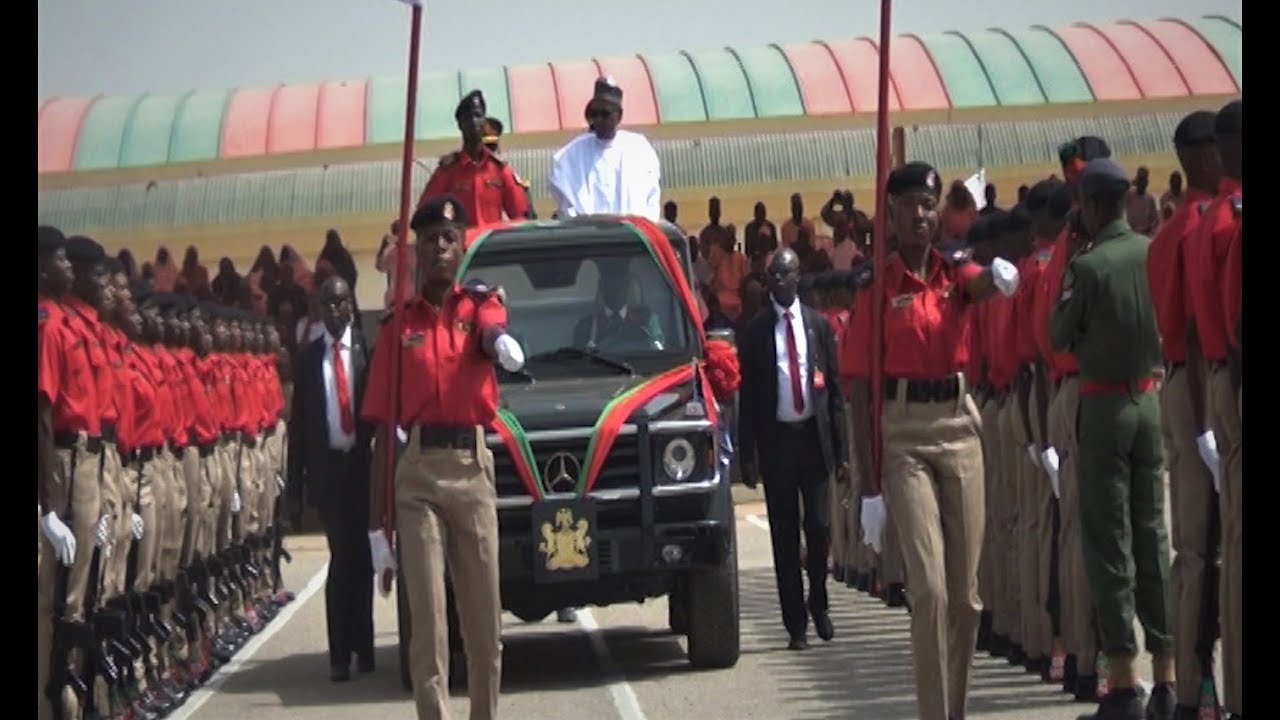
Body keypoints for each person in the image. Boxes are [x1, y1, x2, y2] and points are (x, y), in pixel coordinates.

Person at [844, 161, 1021, 720]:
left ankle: (955, 709)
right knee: (930, 590)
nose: (920, 215)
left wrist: (1001, 276)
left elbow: (982, 288)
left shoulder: (955, 273)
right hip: (904, 437)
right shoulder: (876, 289)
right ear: (890, 216)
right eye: (909, 206)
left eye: (928, 204)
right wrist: (869, 488)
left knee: (967, 600)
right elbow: (856, 392)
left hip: (959, 426)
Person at [361, 194, 525, 720]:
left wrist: (499, 341)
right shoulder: (397, 328)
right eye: (429, 239)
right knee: (429, 626)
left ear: (461, 249)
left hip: (472, 471)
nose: (438, 247)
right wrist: (376, 527)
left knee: (483, 624)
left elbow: (490, 330)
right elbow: (384, 432)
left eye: (448, 239)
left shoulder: (478, 308)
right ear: (417, 249)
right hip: (418, 477)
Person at [1049, 157, 1175, 720]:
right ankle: (1171, 675)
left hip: (1102, 407)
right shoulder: (1153, 253)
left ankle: (1123, 680)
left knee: (1109, 543)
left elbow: (1056, 333)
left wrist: (1074, 259)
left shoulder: (1090, 265)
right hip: (1150, 401)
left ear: (1094, 206)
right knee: (1153, 535)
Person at [1145, 110, 1224, 719]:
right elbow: (1196, 329)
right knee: (1201, 549)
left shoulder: (1171, 228)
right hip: (1198, 388)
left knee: (1193, 546)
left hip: (1176, 384)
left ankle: (1195, 677)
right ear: (1201, 158)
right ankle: (1198, 684)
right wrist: (1203, 424)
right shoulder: (1201, 222)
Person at [737, 247, 848, 650]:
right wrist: (747, 454)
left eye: (785, 273)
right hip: (777, 443)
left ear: (798, 276)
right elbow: (747, 397)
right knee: (784, 537)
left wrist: (843, 453)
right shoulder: (755, 331)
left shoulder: (818, 326)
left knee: (818, 528)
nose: (778, 282)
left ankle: (818, 600)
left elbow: (834, 392)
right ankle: (795, 624)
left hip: (813, 442)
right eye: (773, 276)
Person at [1183, 99, 1241, 720]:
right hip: (1223, 381)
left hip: (1206, 381)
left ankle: (1204, 686)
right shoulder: (1230, 221)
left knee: (1210, 549)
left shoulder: (1198, 222)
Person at [288, 275, 375, 681]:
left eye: (340, 303)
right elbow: (299, 429)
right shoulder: (308, 361)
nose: (334, 311)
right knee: (342, 556)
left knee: (362, 560)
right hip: (328, 474)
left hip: (362, 469)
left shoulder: (366, 352)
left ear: (352, 306)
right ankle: (340, 654)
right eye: (327, 304)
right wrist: (295, 489)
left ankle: (365, 646)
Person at [37, 227, 104, 720]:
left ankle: (71, 700)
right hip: (63, 460)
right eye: (60, 260)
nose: (66, 268)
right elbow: (42, 411)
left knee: (76, 595)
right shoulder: (49, 324)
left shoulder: (68, 322)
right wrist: (45, 508)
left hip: (84, 460)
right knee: (53, 598)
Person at [548, 76, 661, 220]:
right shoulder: (571, 155)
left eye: (605, 114)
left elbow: (650, 204)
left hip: (630, 237)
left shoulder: (639, 150)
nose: (598, 120)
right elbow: (566, 204)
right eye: (594, 114)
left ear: (619, 116)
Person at [417, 90, 531, 228]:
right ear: (460, 124)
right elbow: (424, 215)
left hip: (490, 246)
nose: (473, 122)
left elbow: (521, 218)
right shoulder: (448, 171)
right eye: (467, 117)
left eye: (477, 115)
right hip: (462, 247)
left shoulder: (500, 170)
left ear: (484, 121)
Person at [571, 258, 664, 350]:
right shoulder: (586, 326)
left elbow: (660, 353)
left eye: (621, 281)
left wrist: (644, 338)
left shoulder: (647, 320)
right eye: (611, 281)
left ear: (628, 284)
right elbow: (578, 361)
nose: (616, 286)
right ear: (601, 285)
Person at [1126, 166, 1160, 237]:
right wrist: (1132, 182)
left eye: (1143, 180)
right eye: (1140, 180)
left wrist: (1149, 230)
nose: (1141, 183)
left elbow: (1156, 220)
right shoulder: (1129, 195)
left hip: (1145, 235)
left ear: (1147, 182)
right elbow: (1121, 189)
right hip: (1131, 234)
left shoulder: (1150, 199)